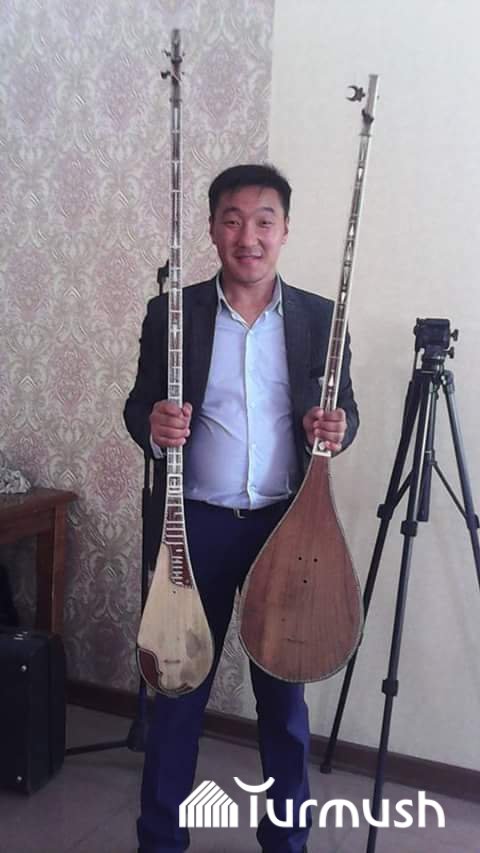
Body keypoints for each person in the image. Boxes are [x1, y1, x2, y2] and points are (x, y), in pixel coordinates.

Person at [124, 163, 359, 853]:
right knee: (176, 696)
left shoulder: (321, 317)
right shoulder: (173, 313)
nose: (247, 237)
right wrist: (153, 424)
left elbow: (344, 410)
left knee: (283, 703)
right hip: (193, 527)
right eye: (232, 220)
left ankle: (286, 842)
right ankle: (160, 841)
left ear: (285, 230)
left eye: (263, 221)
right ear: (211, 229)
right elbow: (139, 406)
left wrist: (338, 426)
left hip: (287, 530)